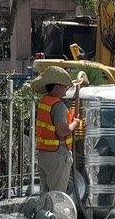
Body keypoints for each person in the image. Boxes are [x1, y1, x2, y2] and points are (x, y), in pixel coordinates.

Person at [31, 65, 81, 198]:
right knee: (57, 195)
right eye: (65, 86)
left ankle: (44, 216)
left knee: (46, 194)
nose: (66, 89)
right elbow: (62, 131)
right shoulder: (58, 106)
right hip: (57, 155)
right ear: (57, 86)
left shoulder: (44, 101)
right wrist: (75, 123)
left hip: (44, 154)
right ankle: (55, 218)